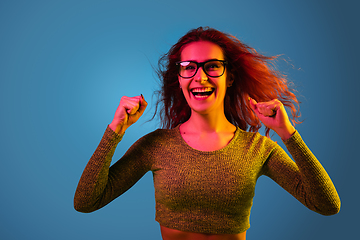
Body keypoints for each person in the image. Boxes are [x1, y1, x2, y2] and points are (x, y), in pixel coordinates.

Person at [74, 27, 340, 240]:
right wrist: (114, 132)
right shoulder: (156, 146)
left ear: (229, 77)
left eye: (212, 66)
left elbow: (327, 205)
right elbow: (86, 202)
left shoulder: (258, 149)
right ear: (179, 79)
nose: (199, 77)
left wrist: (288, 134)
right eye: (189, 67)